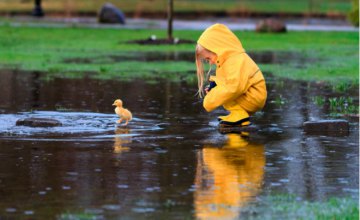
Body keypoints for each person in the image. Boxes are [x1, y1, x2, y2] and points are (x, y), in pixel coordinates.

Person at [195, 23, 267, 127]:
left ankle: (240, 115)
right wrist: (214, 86)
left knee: (226, 92)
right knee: (223, 90)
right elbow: (226, 80)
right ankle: (238, 114)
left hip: (254, 97)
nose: (210, 63)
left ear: (217, 49)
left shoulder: (236, 60)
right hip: (249, 95)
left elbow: (234, 87)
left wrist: (210, 100)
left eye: (208, 59)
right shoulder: (227, 61)